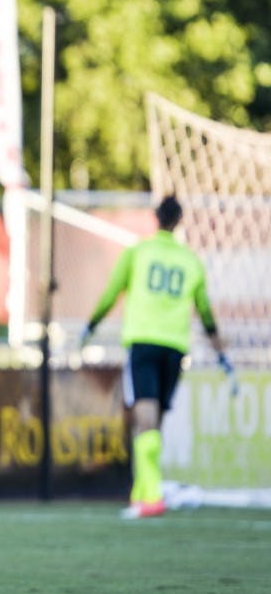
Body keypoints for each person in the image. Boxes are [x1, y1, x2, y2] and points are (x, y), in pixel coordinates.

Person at [81, 194, 234, 519]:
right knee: (156, 422)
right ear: (179, 221)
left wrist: (90, 326)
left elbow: (111, 292)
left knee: (144, 418)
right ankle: (142, 492)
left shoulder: (138, 252)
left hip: (144, 341)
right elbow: (205, 311)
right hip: (175, 346)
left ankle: (151, 496)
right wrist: (219, 351)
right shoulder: (190, 261)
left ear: (155, 218)